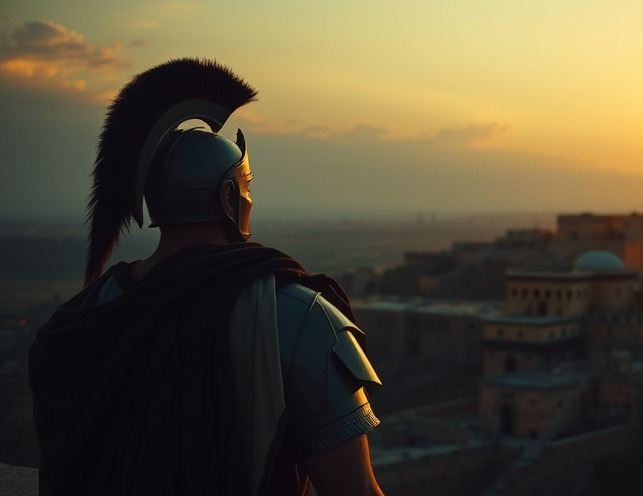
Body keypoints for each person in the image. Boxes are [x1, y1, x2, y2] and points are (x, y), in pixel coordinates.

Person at [28, 58, 384, 496]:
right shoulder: (298, 318)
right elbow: (356, 491)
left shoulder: (84, 315)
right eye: (245, 186)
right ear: (229, 195)